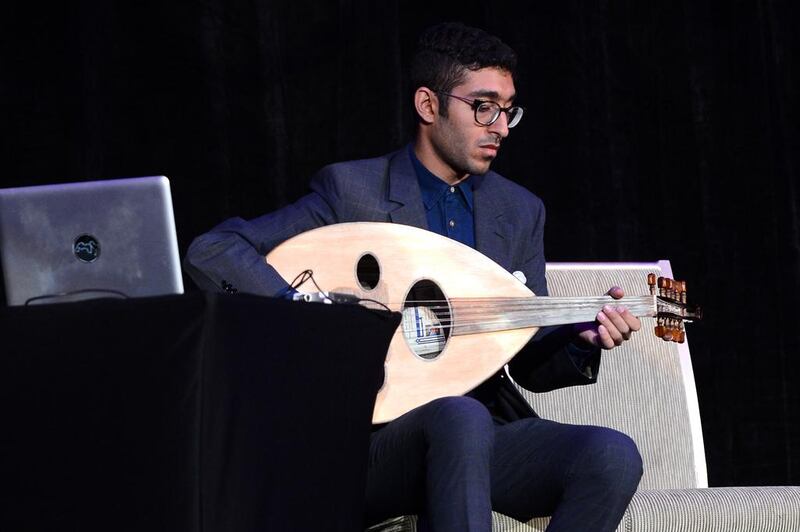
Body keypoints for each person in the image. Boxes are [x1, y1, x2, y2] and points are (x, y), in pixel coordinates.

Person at [185, 21, 643, 532]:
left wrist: (581, 338)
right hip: (369, 441)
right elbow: (214, 251)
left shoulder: (518, 211)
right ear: (429, 106)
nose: (501, 126)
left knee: (610, 454)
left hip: (485, 431)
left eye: (508, 110)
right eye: (483, 107)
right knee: (457, 417)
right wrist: (310, 310)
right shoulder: (353, 191)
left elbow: (529, 361)